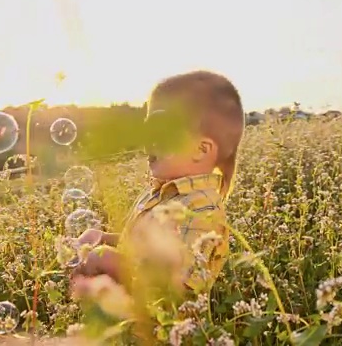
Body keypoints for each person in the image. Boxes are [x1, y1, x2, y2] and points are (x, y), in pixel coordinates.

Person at [70, 70, 244, 297]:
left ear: (201, 150)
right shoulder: (159, 192)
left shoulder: (203, 212)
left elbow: (178, 289)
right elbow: (137, 251)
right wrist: (103, 238)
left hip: (160, 330)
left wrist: (109, 260)